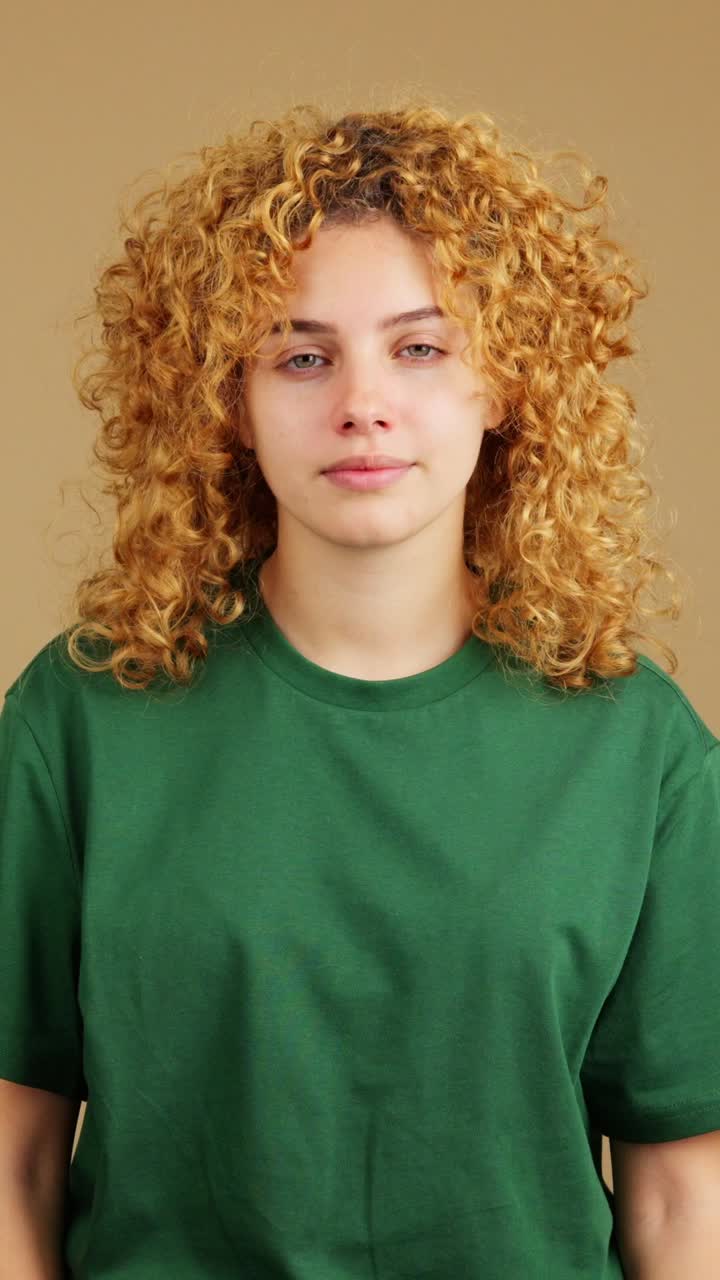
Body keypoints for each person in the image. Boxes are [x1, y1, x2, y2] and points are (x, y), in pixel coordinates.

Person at [1, 99, 719, 1279]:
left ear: (507, 386)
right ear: (225, 399)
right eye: (301, 353)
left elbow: (683, 1203)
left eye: (422, 346)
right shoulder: (83, 717)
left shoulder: (639, 750)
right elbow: (13, 1159)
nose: (362, 402)